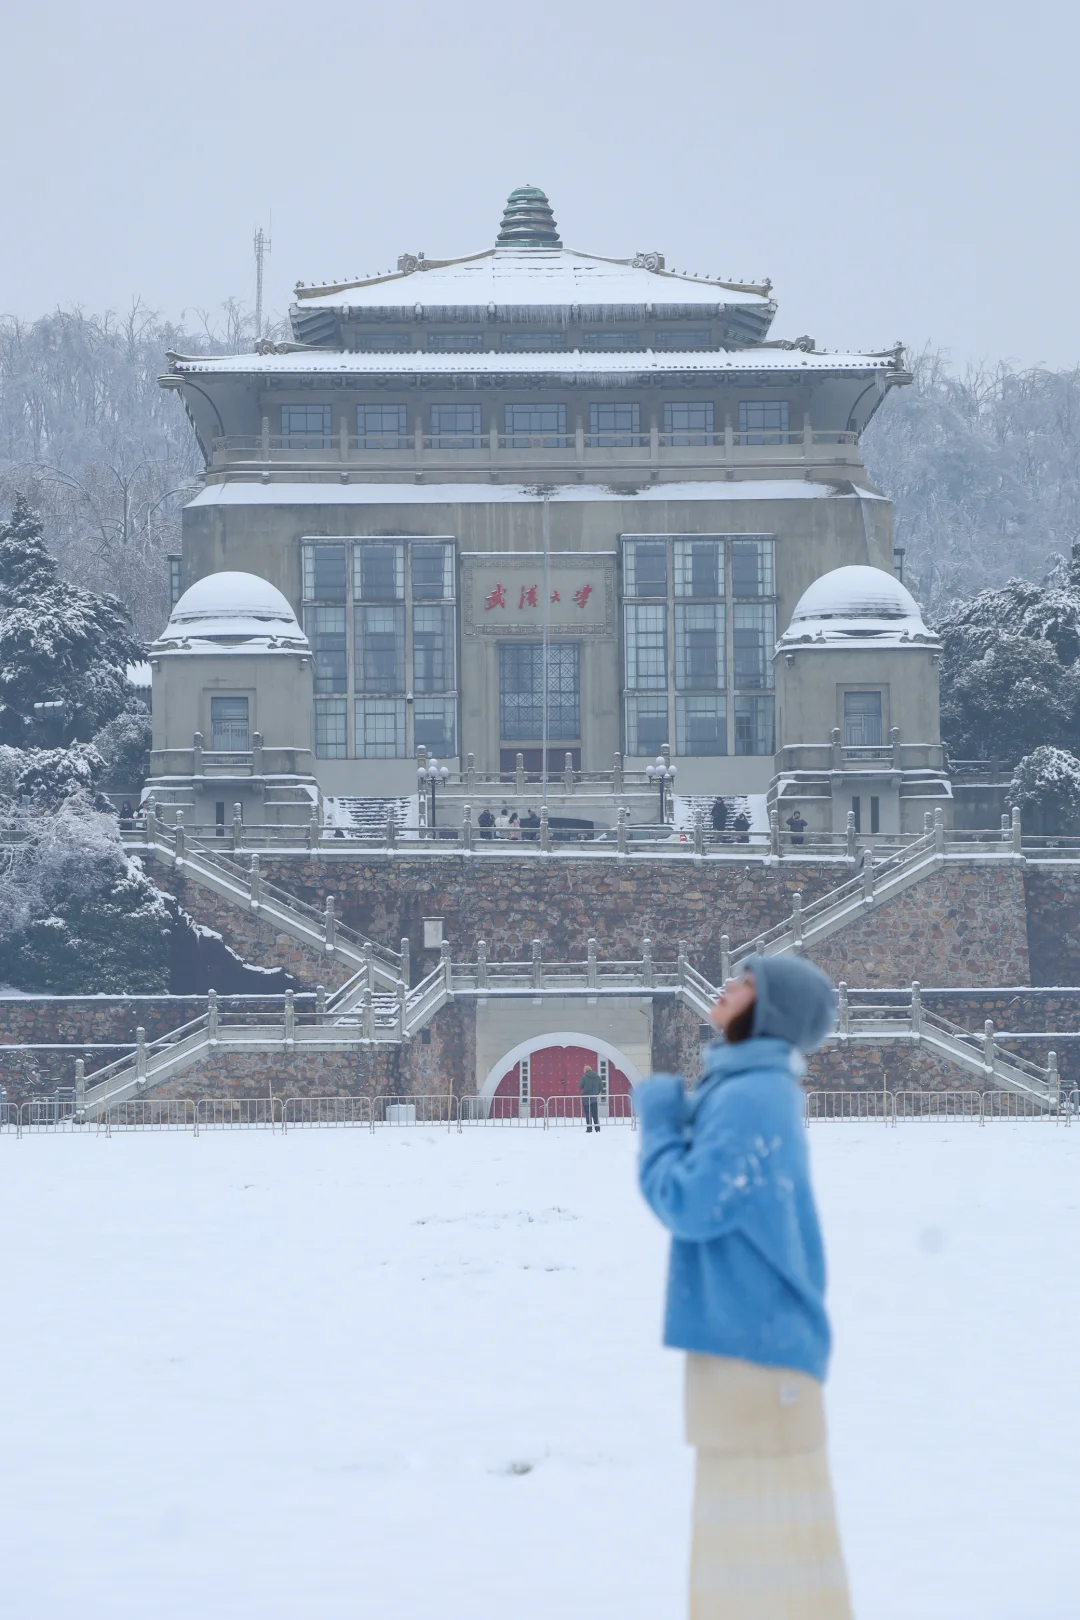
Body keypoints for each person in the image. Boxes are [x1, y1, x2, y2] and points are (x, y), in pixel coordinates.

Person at [633, 955, 852, 1620]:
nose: (728, 986)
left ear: (770, 1011)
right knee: (764, 1555)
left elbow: (693, 1204)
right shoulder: (749, 1088)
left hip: (753, 1349)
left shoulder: (751, 1094)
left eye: (748, 983)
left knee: (758, 1563)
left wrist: (660, 1125)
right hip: (755, 1342)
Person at [578, 1064, 604, 1132]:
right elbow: (601, 1086)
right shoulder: (597, 1077)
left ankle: (589, 1128)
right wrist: (596, 1093)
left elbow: (580, 1086)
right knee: (595, 1114)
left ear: (585, 1070)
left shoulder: (584, 1077)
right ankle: (597, 1128)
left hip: (586, 1098)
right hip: (594, 1098)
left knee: (588, 1114)